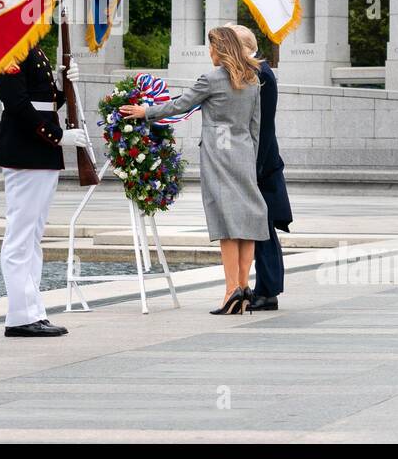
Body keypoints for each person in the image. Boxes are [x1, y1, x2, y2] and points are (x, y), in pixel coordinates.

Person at [121, 26, 265, 314]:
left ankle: (230, 291)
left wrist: (144, 112)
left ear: (221, 49)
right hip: (243, 152)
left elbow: (179, 105)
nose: (209, 53)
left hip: (218, 154)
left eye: (211, 47)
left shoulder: (211, 79)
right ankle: (244, 287)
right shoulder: (252, 79)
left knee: (225, 222)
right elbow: (254, 125)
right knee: (247, 220)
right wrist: (250, 158)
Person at [0, 42, 88, 337]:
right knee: (20, 236)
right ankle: (19, 316)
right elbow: (17, 104)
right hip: (25, 149)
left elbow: (43, 100)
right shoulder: (9, 48)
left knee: (33, 236)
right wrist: (57, 135)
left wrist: (62, 86)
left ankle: (33, 310)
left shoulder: (31, 48)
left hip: (40, 151)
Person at [227, 24, 292, 310]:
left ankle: (268, 292)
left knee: (262, 229)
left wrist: (255, 168)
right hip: (258, 163)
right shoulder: (256, 71)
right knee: (260, 229)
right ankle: (265, 289)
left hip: (261, 166)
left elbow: (264, 127)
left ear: (241, 48)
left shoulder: (262, 74)